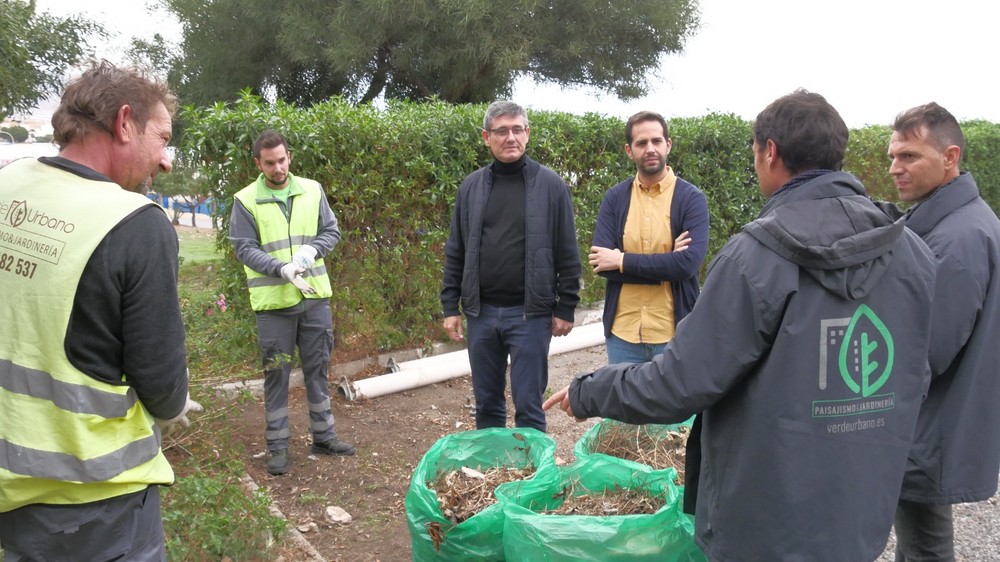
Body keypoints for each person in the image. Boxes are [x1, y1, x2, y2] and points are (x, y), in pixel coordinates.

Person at [545, 90, 939, 561]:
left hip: (764, 525)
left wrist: (591, 391)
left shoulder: (758, 258)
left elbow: (680, 383)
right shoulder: (914, 253)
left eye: (755, 153)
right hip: (859, 516)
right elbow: (917, 376)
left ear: (769, 151)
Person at [0, 60, 199, 560]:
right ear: (124, 122)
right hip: (96, 500)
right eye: (163, 137)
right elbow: (161, 382)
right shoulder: (135, 224)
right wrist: (175, 406)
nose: (166, 161)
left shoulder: (8, 186)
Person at [882, 103, 1000, 561]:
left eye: (909, 156)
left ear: (950, 157)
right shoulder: (953, 221)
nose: (895, 168)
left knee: (926, 545)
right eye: (894, 156)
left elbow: (925, 353)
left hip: (931, 426)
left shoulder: (958, 240)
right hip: (934, 424)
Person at [440, 100, 581, 433]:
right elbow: (456, 250)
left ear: (528, 134)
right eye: (501, 131)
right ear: (486, 137)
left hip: (530, 315)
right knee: (486, 403)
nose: (511, 137)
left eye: (518, 129)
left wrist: (567, 306)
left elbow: (567, 250)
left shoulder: (551, 186)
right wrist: (450, 306)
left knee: (529, 404)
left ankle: (531, 478)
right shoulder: (471, 188)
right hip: (481, 313)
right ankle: (492, 473)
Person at [230, 129, 355, 477]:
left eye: (282, 160)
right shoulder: (245, 200)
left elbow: (331, 231)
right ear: (258, 163)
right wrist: (280, 267)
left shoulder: (312, 190)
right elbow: (244, 247)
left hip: (314, 298)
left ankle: (324, 437)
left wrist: (312, 249)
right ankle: (278, 447)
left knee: (318, 369)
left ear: (289, 157)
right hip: (273, 304)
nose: (277, 168)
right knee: (276, 375)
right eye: (269, 163)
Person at [589, 110, 709, 364]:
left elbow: (687, 265)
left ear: (668, 145)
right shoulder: (615, 198)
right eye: (641, 143)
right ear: (629, 150)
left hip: (674, 334)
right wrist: (666, 262)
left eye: (656, 141)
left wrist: (621, 260)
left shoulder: (690, 199)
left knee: (680, 405)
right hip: (623, 336)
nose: (650, 148)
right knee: (625, 405)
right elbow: (602, 264)